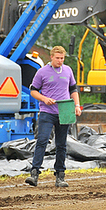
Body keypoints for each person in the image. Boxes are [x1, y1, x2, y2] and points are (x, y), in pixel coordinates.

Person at [25, 46, 81, 187]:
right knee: (42, 140)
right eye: (57, 58)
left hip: (64, 111)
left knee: (61, 144)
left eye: (62, 58)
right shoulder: (42, 72)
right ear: (51, 57)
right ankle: (35, 173)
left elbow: (73, 90)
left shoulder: (68, 70)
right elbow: (33, 91)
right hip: (47, 112)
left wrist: (77, 106)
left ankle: (60, 175)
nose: (60, 61)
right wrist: (44, 99)